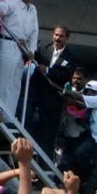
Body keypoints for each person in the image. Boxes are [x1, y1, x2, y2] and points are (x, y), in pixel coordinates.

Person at [0, 0, 38, 118]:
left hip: (22, 49)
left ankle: (9, 116)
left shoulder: (33, 9)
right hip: (8, 42)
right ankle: (0, 112)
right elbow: (1, 8)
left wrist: (32, 50)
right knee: (5, 81)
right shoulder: (13, 3)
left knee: (16, 84)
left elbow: (34, 32)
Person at [28, 25, 74, 160]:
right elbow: (32, 58)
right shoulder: (43, 49)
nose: (57, 38)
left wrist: (48, 71)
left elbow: (66, 75)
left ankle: (44, 162)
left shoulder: (71, 57)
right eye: (56, 35)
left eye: (61, 36)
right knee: (30, 124)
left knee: (48, 134)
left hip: (52, 101)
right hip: (37, 94)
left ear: (67, 38)